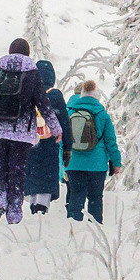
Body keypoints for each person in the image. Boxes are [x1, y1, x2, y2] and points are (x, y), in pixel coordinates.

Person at [0, 36, 50, 224]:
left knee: (0, 168)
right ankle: (14, 212)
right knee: (17, 171)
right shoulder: (32, 72)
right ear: (27, 53)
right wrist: (55, 128)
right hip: (22, 132)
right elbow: (43, 102)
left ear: (10, 51)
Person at [60, 78, 120, 222]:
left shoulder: (69, 112)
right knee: (95, 198)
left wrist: (63, 163)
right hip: (97, 165)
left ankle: (73, 229)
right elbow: (111, 141)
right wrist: (116, 162)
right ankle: (95, 229)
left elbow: (63, 140)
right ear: (96, 95)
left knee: (76, 195)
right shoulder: (102, 114)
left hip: (74, 163)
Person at [23, 60, 72, 214]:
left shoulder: (27, 92)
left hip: (30, 142)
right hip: (50, 143)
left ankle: (33, 204)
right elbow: (64, 122)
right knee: (47, 175)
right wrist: (67, 148)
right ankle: (42, 206)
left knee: (33, 174)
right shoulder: (55, 95)